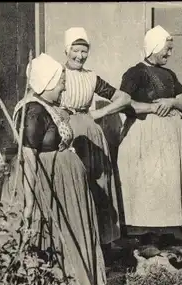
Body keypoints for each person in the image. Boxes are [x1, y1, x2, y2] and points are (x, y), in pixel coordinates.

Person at [1, 53, 106, 285]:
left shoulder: (46, 107)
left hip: (62, 184)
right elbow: (28, 156)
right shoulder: (32, 111)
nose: (64, 86)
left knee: (67, 236)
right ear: (46, 83)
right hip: (48, 185)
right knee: (52, 236)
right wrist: (28, 203)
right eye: (60, 82)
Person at [117, 25, 182, 237]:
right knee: (150, 183)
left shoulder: (169, 74)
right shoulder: (135, 73)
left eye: (170, 49)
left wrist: (171, 101)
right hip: (146, 137)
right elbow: (122, 102)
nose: (169, 53)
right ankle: (147, 236)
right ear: (154, 47)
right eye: (166, 48)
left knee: (168, 183)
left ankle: (166, 234)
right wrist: (151, 108)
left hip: (170, 140)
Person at [60, 27, 131, 253]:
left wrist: (99, 114)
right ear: (66, 49)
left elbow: (124, 97)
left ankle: (103, 243)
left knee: (98, 185)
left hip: (91, 135)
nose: (80, 56)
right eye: (75, 50)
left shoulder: (91, 78)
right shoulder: (56, 74)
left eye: (84, 51)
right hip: (67, 135)